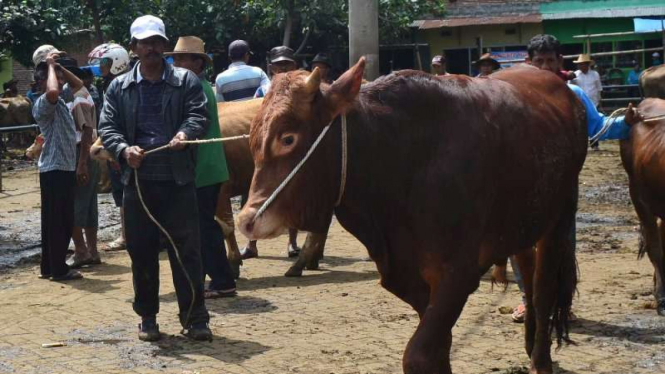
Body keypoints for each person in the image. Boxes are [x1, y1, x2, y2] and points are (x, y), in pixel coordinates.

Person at [502, 34, 643, 323]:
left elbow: (599, 127)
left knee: (562, 244)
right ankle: (528, 300)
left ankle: (561, 302)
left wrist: (625, 124)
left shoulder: (573, 95)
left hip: (560, 185)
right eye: (538, 61)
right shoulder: (511, 94)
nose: (544, 67)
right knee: (520, 245)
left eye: (549, 61)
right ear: (528, 62)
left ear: (559, 62)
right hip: (520, 183)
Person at [98, 15, 211, 341]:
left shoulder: (186, 81)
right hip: (138, 184)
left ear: (164, 46)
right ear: (133, 48)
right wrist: (122, 149)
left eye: (156, 42)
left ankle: (195, 318)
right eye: (144, 43)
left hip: (178, 182)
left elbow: (197, 114)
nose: (151, 48)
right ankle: (148, 317)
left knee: (187, 252)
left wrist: (184, 133)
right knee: (142, 252)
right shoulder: (118, 87)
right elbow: (107, 128)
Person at [167, 36, 237, 299]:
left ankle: (222, 280)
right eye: (175, 58)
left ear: (198, 63)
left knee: (203, 227)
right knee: (203, 225)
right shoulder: (199, 85)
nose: (177, 63)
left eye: (183, 58)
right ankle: (219, 277)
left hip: (202, 167)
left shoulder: (194, 86)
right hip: (207, 166)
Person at [31, 44, 84, 281]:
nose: (60, 83)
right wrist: (51, 67)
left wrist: (59, 66)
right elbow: (52, 91)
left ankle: (49, 267)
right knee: (60, 221)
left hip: (61, 168)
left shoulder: (60, 101)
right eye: (55, 79)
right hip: (55, 169)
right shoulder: (44, 102)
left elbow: (79, 86)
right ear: (42, 82)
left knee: (54, 220)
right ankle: (59, 269)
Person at [244, 45, 301, 260]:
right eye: (279, 65)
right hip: (265, 153)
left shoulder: (302, 90)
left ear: (294, 65)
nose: (283, 68)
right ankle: (252, 243)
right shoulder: (263, 92)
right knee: (255, 195)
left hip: (290, 152)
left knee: (293, 196)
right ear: (271, 68)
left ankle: (292, 243)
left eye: (287, 64)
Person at [55, 58, 102, 269]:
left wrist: (81, 162)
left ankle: (81, 251)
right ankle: (92, 250)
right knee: (89, 203)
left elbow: (85, 130)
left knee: (76, 204)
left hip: (79, 152)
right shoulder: (78, 94)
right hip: (85, 152)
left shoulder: (77, 97)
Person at [88, 43, 131, 251]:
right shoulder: (114, 85)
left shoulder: (120, 87)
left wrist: (115, 151)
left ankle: (126, 236)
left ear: (116, 63)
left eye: (104, 62)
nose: (101, 67)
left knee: (123, 193)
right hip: (121, 146)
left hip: (121, 148)